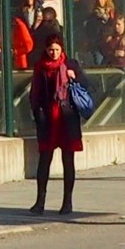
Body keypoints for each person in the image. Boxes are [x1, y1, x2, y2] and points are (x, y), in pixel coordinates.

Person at [26, 27, 86, 213]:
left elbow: (87, 87)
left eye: (57, 50)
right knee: (44, 160)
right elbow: (34, 94)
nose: (54, 53)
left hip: (66, 118)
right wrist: (38, 114)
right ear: (46, 49)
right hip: (48, 119)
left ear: (62, 50)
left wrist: (74, 78)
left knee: (68, 160)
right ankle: (40, 202)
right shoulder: (40, 67)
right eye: (51, 50)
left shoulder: (70, 65)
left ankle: (67, 202)